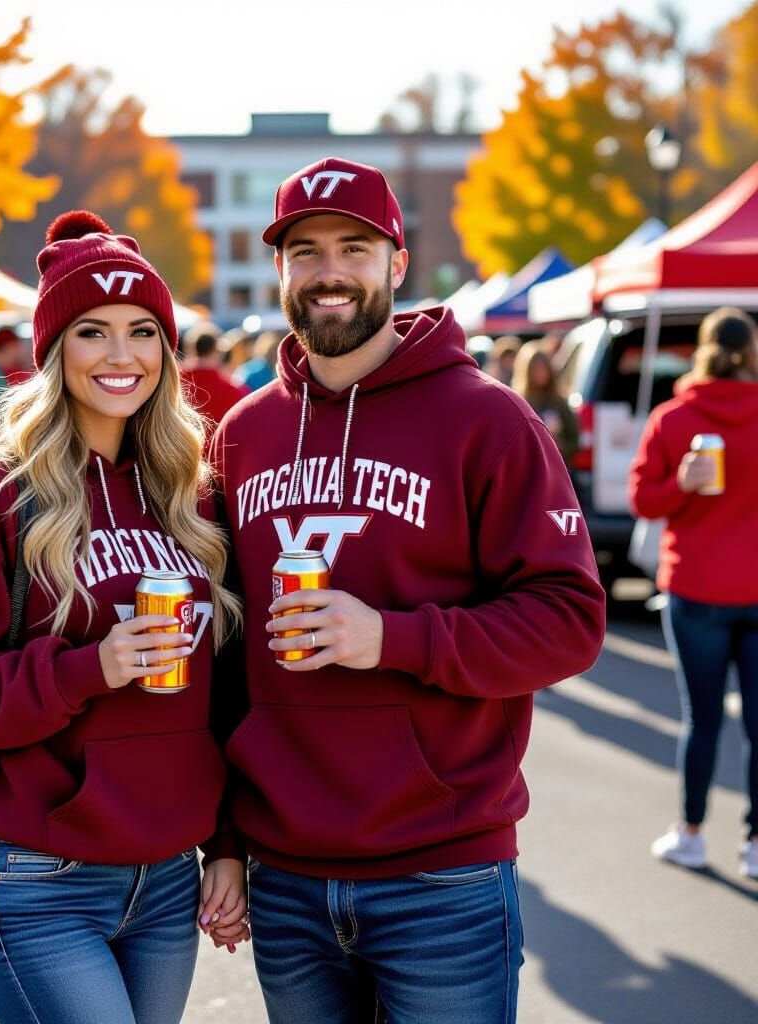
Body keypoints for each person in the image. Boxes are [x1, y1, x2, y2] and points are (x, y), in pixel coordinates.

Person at [208, 157, 606, 1023]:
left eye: (354, 247)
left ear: (395, 263)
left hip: (443, 871)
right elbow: (228, 657)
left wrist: (391, 638)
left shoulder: (487, 418)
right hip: (286, 876)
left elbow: (569, 622)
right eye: (304, 250)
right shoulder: (243, 435)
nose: (328, 271)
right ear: (280, 270)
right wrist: (227, 842)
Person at [0, 211, 249, 1024]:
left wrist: (229, 846)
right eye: (92, 331)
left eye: (142, 332)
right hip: (40, 875)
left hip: (169, 878)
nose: (121, 354)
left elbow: (230, 693)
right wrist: (94, 666)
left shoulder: (192, 497)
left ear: (168, 352)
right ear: (54, 350)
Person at [628, 307, 758, 880]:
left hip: (696, 588)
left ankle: (693, 834)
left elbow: (643, 502)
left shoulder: (673, 417)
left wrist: (680, 484)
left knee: (701, 719)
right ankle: (756, 845)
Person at [511, 339, 579, 466]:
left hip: (556, 467)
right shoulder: (517, 402)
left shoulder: (559, 402)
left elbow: (574, 441)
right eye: (535, 368)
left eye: (543, 367)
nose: (539, 372)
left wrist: (559, 445)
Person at [180, 321, 248, 436]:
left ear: (190, 349)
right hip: (219, 452)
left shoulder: (171, 383)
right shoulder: (234, 391)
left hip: (178, 452)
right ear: (218, 351)